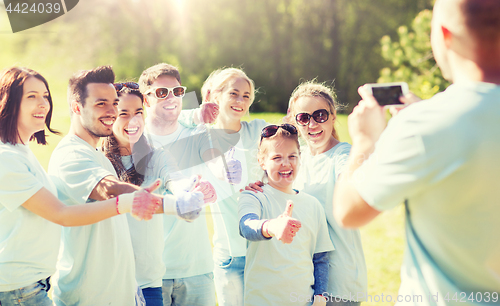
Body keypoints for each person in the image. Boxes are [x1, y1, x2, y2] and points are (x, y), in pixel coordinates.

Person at [333, 0, 500, 305]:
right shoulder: (425, 121)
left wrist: (364, 142)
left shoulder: (425, 125)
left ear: (445, 36)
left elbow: (348, 211)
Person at [0, 67, 161, 306]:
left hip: (32, 287)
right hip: (19, 290)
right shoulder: (7, 157)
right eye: (31, 96)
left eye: (45, 96)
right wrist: (135, 201)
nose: (43, 103)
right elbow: (61, 214)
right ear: (9, 102)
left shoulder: (22, 153)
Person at [47, 66, 203, 306]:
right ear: (77, 108)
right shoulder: (72, 154)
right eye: (102, 104)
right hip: (86, 296)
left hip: (122, 290)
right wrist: (174, 205)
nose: (111, 111)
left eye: (113, 104)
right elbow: (107, 189)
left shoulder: (95, 155)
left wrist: (185, 191)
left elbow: (171, 175)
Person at [246, 81, 368, 305]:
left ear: (333, 116)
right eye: (303, 117)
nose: (312, 124)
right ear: (295, 120)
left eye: (320, 115)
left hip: (339, 282)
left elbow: (353, 178)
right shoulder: (298, 159)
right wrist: (263, 184)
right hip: (304, 282)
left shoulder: (343, 154)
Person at [101, 82, 216, 306]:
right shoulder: (99, 160)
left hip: (148, 284)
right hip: (111, 284)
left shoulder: (156, 156)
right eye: (123, 114)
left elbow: (175, 179)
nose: (133, 121)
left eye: (138, 113)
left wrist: (189, 189)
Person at [139, 63, 237, 306]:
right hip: (151, 271)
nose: (171, 98)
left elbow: (214, 162)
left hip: (197, 268)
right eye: (162, 92)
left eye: (177, 91)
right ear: (146, 99)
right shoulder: (136, 140)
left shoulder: (198, 132)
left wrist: (220, 177)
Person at [238, 124, 334, 306]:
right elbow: (246, 226)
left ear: (300, 158)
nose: (285, 163)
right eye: (276, 157)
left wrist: (320, 297)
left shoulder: (312, 205)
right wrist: (271, 227)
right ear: (262, 161)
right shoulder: (253, 196)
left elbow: (320, 257)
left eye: (292, 156)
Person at [199, 67, 271, 306]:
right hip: (230, 256)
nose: (241, 101)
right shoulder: (201, 138)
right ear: (215, 95)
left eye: (246, 96)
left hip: (264, 251)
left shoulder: (259, 132)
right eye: (234, 93)